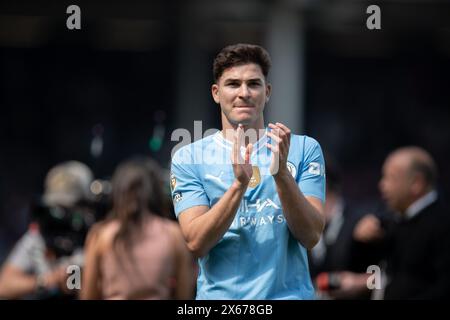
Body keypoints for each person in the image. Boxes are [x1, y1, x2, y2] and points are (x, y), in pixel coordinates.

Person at [170, 43, 326, 299]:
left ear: (267, 91)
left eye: (253, 84)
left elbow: (311, 236)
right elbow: (196, 243)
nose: (244, 93)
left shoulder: (303, 148)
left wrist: (281, 175)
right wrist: (238, 186)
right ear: (216, 93)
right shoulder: (189, 157)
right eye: (233, 84)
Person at [80, 157, 195, 300]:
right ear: (156, 191)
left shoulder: (101, 235)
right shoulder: (173, 235)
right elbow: (184, 295)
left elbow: (88, 295)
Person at [354, 146, 450, 299]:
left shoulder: (442, 224)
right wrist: (361, 240)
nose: (382, 185)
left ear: (416, 183)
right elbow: (373, 270)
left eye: (391, 177)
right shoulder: (394, 220)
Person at [0, 161, 95, 299]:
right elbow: (4, 286)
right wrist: (47, 281)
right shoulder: (41, 235)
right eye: (56, 209)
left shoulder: (98, 236)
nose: (61, 216)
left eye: (68, 209)